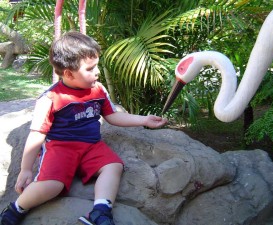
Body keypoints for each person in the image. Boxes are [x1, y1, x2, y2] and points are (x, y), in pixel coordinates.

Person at [0, 31, 168, 225]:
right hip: (60, 148)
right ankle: (17, 208)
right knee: (53, 186)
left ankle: (101, 211)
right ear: (69, 74)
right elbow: (37, 134)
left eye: (96, 66)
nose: (96, 72)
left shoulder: (98, 89)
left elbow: (112, 116)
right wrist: (25, 169)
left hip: (91, 146)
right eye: (90, 69)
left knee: (113, 166)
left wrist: (144, 120)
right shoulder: (50, 99)